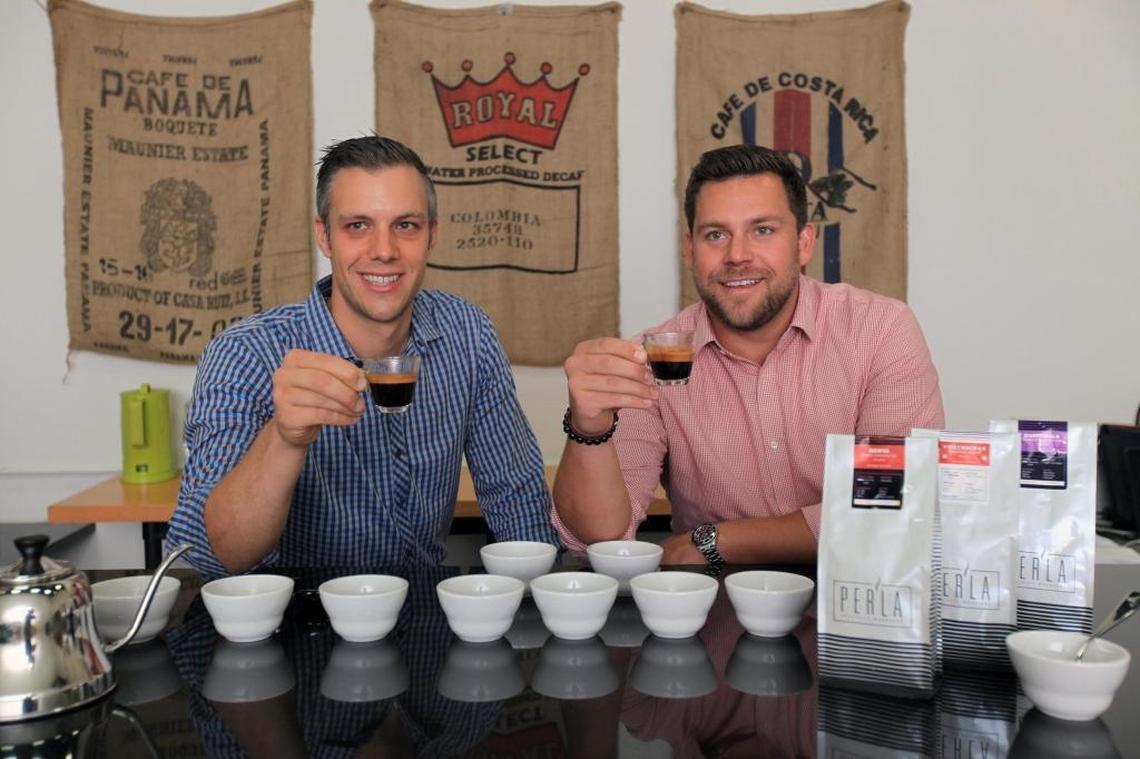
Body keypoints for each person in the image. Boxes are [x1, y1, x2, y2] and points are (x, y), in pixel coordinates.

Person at [166, 135, 558, 577]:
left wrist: (540, 602)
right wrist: (284, 438)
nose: (384, 250)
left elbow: (516, 498)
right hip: (294, 614)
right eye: (357, 226)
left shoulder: (467, 332)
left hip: (423, 611)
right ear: (324, 236)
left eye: (405, 225)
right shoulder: (245, 353)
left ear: (432, 235)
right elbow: (209, 558)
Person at [552, 144, 944, 570]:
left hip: (857, 595)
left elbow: (893, 505)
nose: (737, 255)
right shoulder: (653, 357)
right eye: (715, 235)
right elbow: (600, 541)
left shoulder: (880, 330)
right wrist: (588, 429)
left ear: (804, 242)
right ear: (690, 249)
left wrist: (714, 541)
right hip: (712, 606)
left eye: (763, 230)